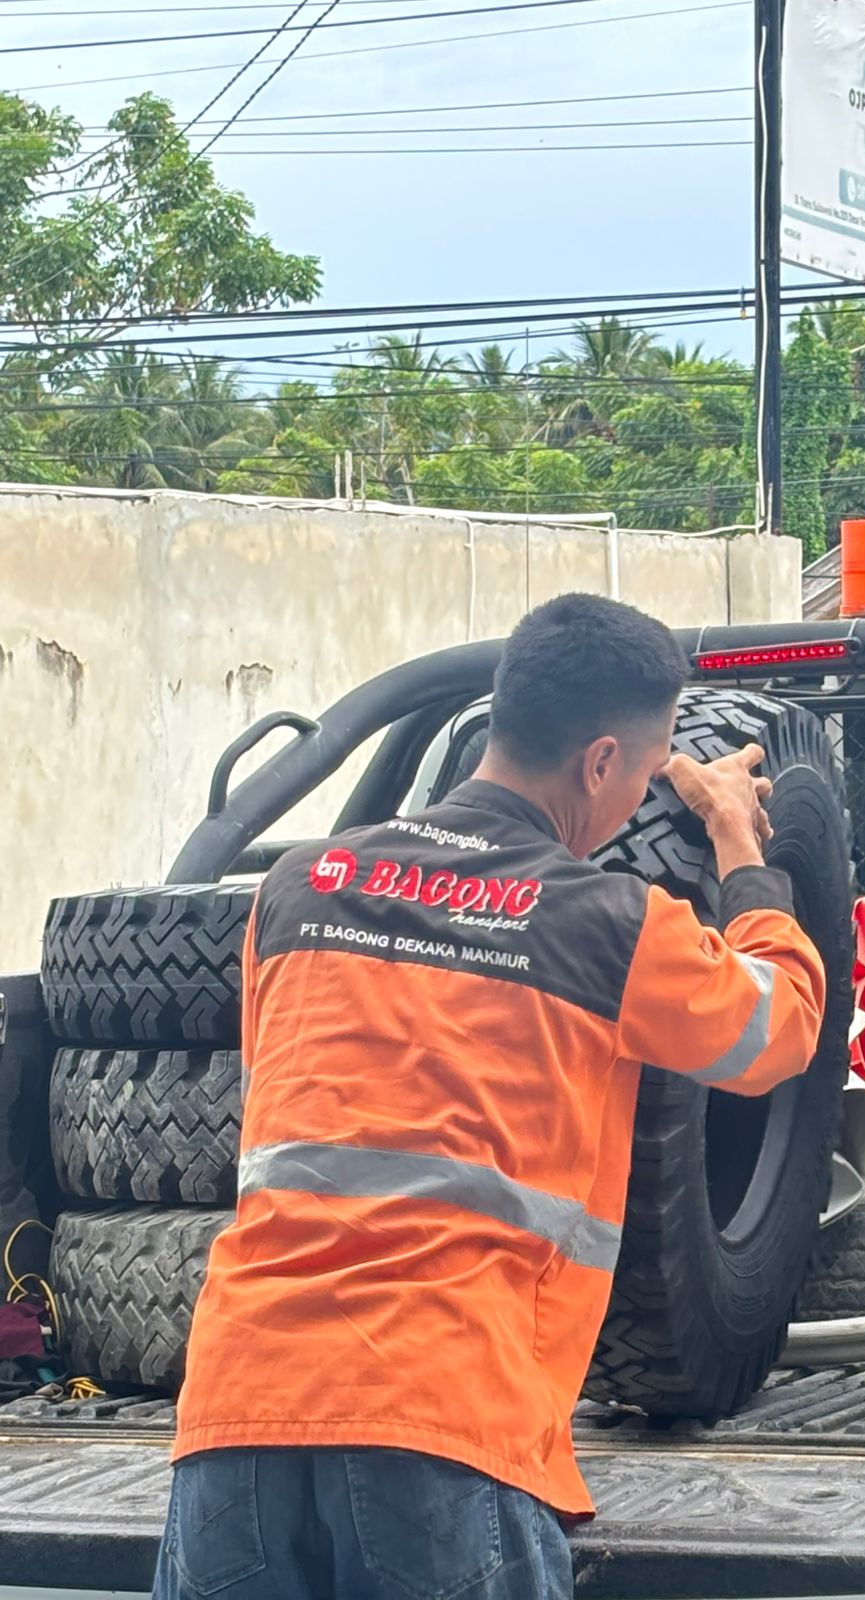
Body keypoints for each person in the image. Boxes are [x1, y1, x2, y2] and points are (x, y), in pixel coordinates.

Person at [155, 592, 827, 1600]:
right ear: (600, 763)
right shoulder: (608, 924)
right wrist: (739, 845)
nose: (637, 795)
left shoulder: (297, 888)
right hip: (445, 1422)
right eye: (644, 775)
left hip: (236, 1414)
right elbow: (778, 1031)